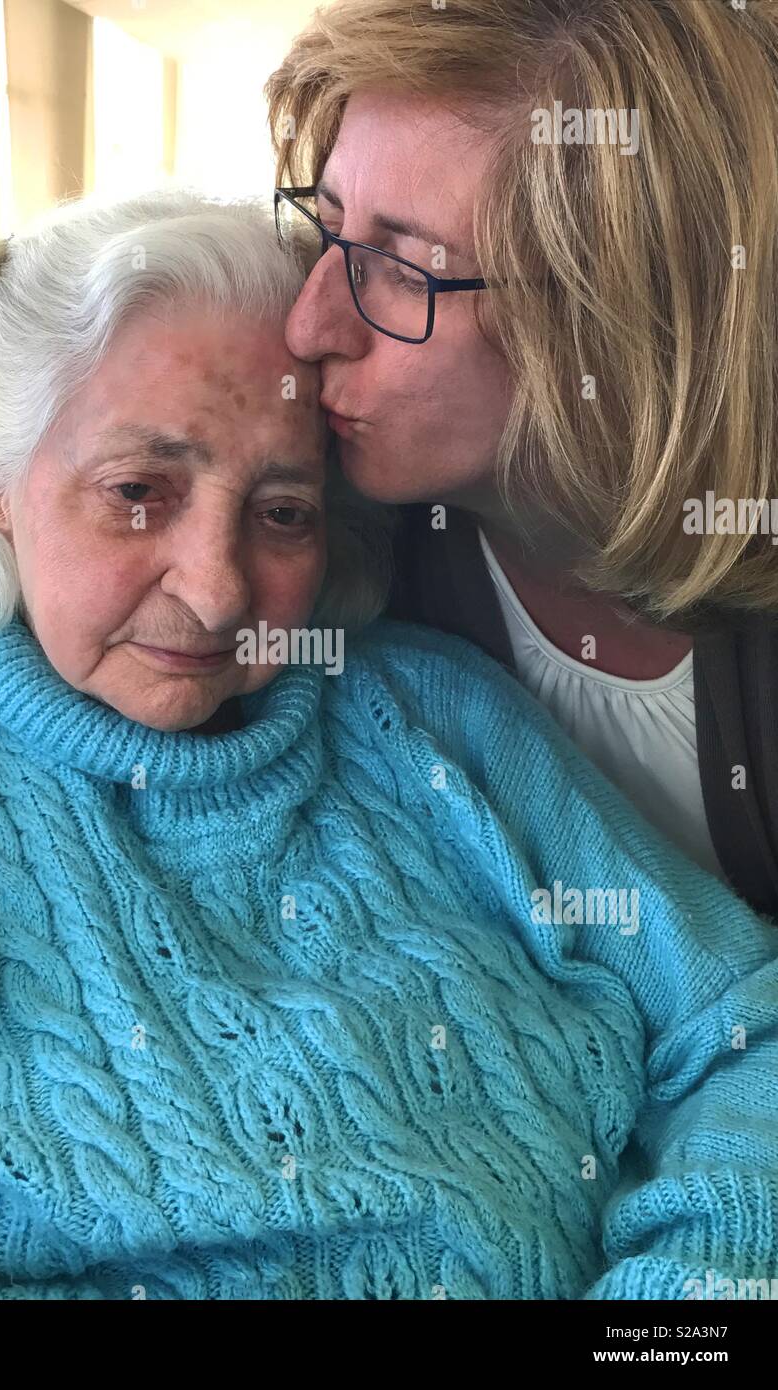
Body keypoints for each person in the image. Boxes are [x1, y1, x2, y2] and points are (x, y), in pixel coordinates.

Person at [0, 191, 777, 1300]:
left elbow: (745, 1020)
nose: (217, 592)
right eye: (137, 491)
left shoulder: (431, 710)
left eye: (281, 511)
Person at [266, 0, 778, 916]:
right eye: (330, 227)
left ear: (628, 319)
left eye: (406, 268)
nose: (310, 327)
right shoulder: (342, 560)